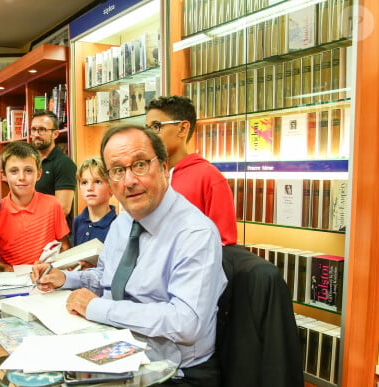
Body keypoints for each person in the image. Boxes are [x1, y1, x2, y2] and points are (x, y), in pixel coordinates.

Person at [32, 125, 227, 386]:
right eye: (118, 171)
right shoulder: (124, 222)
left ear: (164, 167)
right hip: (120, 348)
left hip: (174, 372)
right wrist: (65, 279)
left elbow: (185, 323)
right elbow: (107, 277)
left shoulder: (195, 233)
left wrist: (96, 307)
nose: (129, 180)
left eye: (140, 165)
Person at [145, 95, 237, 246]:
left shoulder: (209, 177)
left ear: (182, 128)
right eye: (147, 128)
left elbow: (223, 242)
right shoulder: (149, 174)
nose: (149, 136)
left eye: (156, 126)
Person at [0, 141, 70, 271]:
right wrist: (5, 268)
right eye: (14, 171)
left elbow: (65, 247)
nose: (21, 177)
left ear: (38, 174)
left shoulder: (53, 204)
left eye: (28, 171)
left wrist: (51, 267)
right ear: (3, 175)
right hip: (11, 281)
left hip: (46, 277)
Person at [31, 109, 77, 221]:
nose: (36, 134)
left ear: (55, 134)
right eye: (33, 129)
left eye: (42, 130)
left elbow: (63, 209)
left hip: (52, 233)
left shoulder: (64, 163)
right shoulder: (29, 161)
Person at [72, 157, 116, 246]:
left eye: (97, 181)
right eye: (84, 182)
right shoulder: (77, 221)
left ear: (111, 188)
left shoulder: (117, 225)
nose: (89, 188)